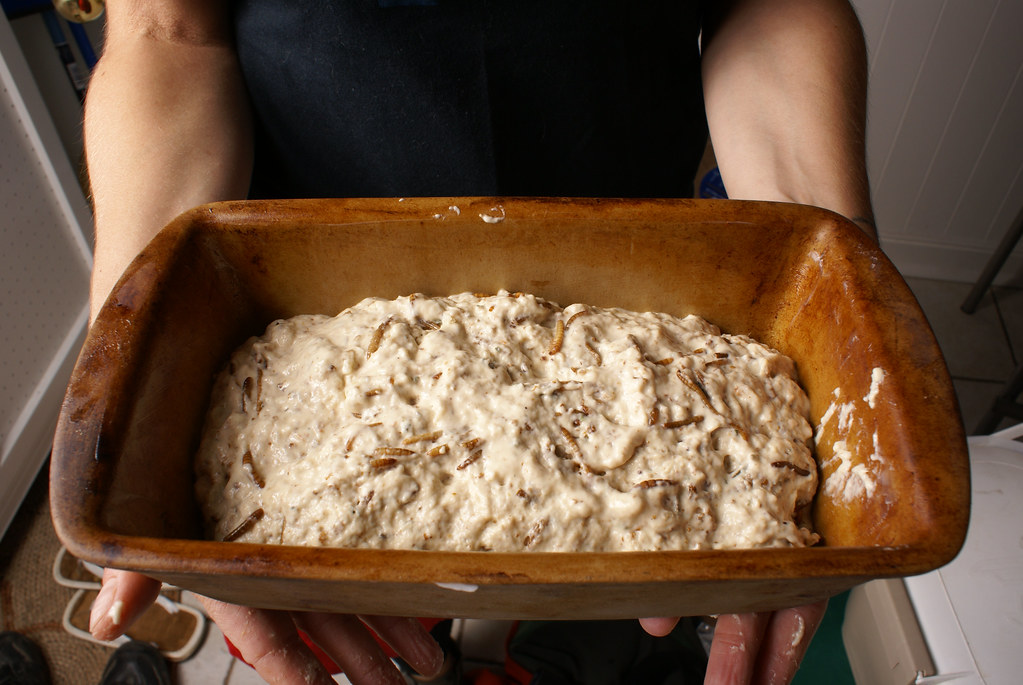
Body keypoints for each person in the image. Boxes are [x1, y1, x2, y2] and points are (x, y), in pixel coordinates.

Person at [79, 0, 876, 683]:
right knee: (373, 640)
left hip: (625, 250)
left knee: (611, 631)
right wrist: (135, 343)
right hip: (316, 309)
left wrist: (833, 301)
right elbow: (167, 32)